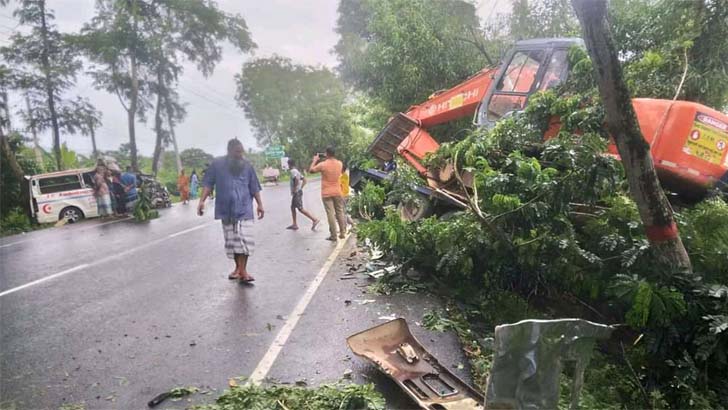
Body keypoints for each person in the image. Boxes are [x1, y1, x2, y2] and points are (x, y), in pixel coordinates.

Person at [198, 138, 264, 283]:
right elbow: (208, 184)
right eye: (237, 152)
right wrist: (201, 201)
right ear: (229, 152)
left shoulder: (247, 166)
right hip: (225, 210)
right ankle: (238, 268)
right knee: (232, 242)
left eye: (241, 152)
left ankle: (243, 270)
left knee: (245, 240)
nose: (240, 155)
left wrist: (259, 204)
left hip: (245, 209)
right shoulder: (217, 165)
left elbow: (254, 187)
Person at [309, 146, 346, 241]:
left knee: (330, 214)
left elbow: (311, 170)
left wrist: (315, 160)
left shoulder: (323, 165)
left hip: (326, 193)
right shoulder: (340, 163)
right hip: (338, 191)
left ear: (327, 154)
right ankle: (342, 233)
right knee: (340, 212)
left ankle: (333, 235)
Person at [286, 159, 320, 231]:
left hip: (296, 193)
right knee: (292, 207)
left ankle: (314, 219)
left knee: (300, 209)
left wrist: (295, 189)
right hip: (298, 192)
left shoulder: (293, 171)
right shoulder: (297, 171)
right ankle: (294, 224)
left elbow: (296, 180)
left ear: (289, 164)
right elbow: (304, 179)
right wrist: (300, 188)